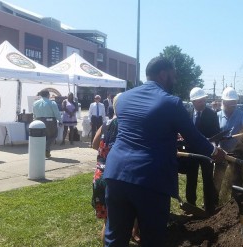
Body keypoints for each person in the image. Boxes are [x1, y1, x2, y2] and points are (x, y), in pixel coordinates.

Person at [103, 56, 225, 246]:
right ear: (163, 74)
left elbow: (142, 129)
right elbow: (194, 138)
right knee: (153, 239)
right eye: (173, 76)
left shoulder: (124, 98)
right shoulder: (171, 102)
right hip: (150, 179)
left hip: (115, 174)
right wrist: (215, 152)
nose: (175, 81)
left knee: (115, 238)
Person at [91, 93, 141, 245]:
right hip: (119, 176)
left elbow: (94, 144)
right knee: (133, 211)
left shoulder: (106, 124)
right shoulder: (128, 125)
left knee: (108, 222)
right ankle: (134, 232)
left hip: (100, 176)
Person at [178, 87, 220, 215]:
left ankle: (209, 206)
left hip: (206, 153)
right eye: (200, 101)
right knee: (191, 179)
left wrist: (212, 145)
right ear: (193, 102)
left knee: (208, 179)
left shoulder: (212, 115)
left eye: (204, 100)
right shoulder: (187, 113)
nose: (203, 103)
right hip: (191, 152)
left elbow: (217, 133)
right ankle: (191, 205)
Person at [213, 87, 243, 198]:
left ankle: (235, 201)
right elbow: (214, 133)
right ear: (223, 102)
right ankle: (213, 200)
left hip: (236, 153)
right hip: (221, 152)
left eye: (233, 104)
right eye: (228, 104)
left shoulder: (242, 114)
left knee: (237, 178)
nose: (230, 107)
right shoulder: (218, 115)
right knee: (217, 178)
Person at [32, 89, 62, 158]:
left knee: (42, 137)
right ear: (48, 95)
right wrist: (60, 121)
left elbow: (34, 114)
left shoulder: (35, 103)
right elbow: (56, 113)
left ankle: (43, 151)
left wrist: (35, 121)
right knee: (53, 136)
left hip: (38, 121)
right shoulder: (52, 103)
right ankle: (46, 149)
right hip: (50, 121)